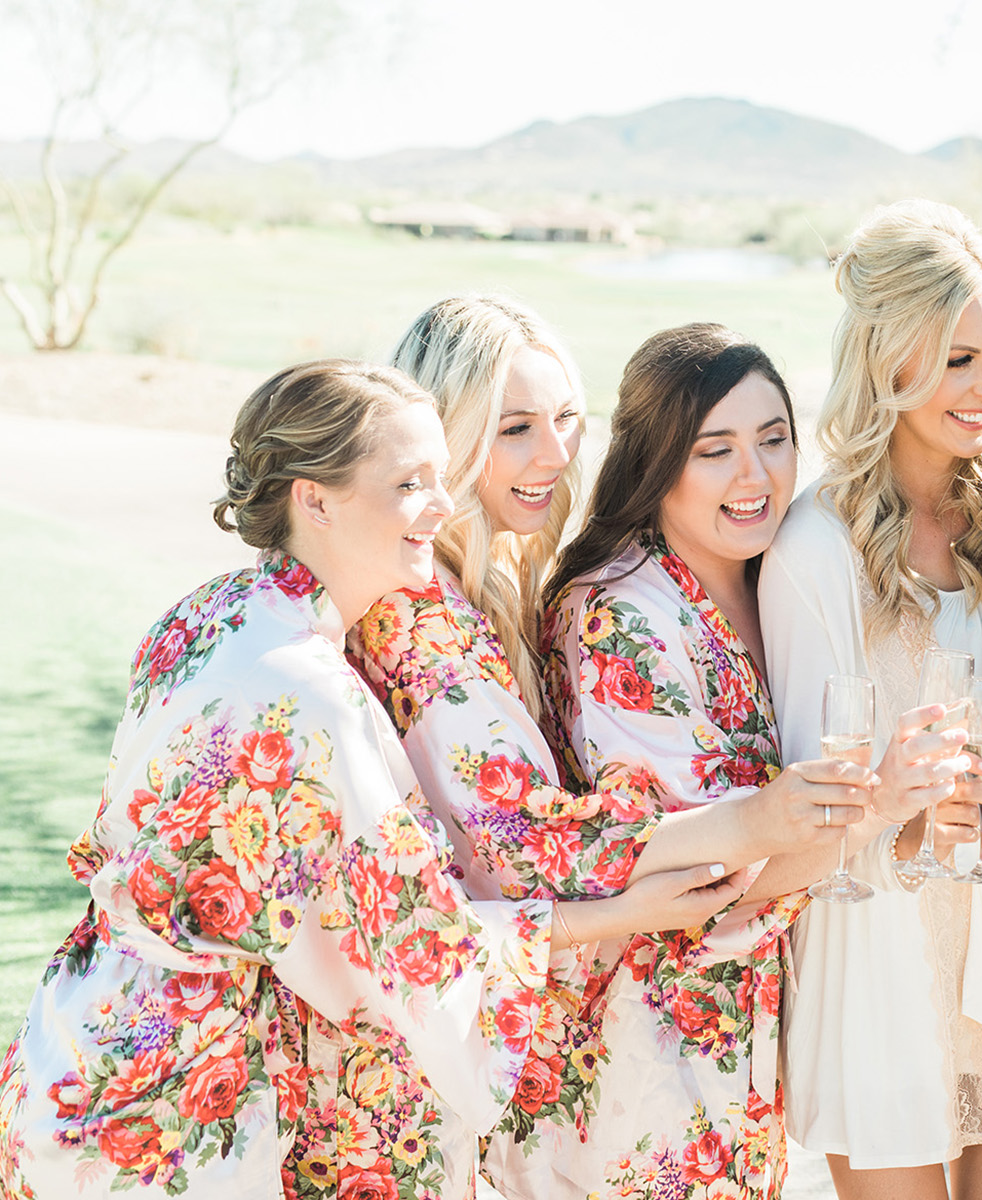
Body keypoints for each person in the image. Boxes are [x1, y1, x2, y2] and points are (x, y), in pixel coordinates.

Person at [0, 361, 716, 1200]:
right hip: (172, 1109)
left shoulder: (207, 612)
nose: (444, 506)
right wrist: (626, 912)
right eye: (411, 484)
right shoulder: (311, 694)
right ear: (316, 500)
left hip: (73, 1045)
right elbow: (419, 944)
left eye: (441, 478)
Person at [343, 303, 867, 1198]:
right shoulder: (420, 621)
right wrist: (776, 819)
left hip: (619, 1040)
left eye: (565, 419)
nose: (554, 454)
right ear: (442, 435)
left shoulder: (489, 592)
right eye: (515, 428)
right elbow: (522, 841)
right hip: (542, 1054)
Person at [759, 199, 982, 1200]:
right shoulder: (816, 548)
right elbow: (809, 808)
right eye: (956, 359)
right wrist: (903, 815)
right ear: (885, 360)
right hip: (885, 952)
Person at [529, 323, 891, 1199]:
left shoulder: (775, 579)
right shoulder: (618, 612)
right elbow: (700, 875)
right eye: (715, 450)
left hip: (739, 1039)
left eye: (773, 439)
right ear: (658, 463)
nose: (754, 475)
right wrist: (889, 800)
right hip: (639, 1050)